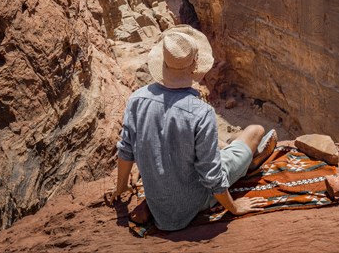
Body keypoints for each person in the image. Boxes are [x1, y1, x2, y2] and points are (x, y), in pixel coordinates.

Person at [108, 25, 277, 231]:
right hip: (192, 203)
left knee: (217, 143)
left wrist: (121, 187)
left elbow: (125, 151)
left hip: (158, 203)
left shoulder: (137, 99)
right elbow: (211, 175)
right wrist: (234, 208)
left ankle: (232, 150)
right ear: (195, 65)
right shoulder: (200, 112)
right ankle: (247, 160)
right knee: (255, 131)